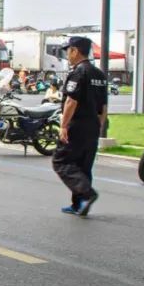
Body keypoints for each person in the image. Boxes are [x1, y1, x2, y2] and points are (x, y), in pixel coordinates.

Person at [53, 36, 107, 216]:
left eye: (68, 51)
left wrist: (63, 126)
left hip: (76, 125)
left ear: (75, 51)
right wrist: (98, 126)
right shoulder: (99, 74)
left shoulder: (78, 72)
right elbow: (103, 107)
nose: (67, 55)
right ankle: (79, 204)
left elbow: (71, 101)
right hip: (92, 125)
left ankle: (86, 194)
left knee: (61, 161)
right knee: (83, 166)